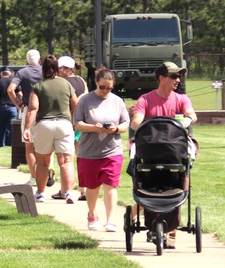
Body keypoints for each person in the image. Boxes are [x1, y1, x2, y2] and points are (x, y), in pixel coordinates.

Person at [130, 61, 199, 248]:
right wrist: (139, 122)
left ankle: (171, 233)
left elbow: (192, 114)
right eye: (173, 76)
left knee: (177, 184)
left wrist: (187, 119)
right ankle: (153, 227)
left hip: (175, 152)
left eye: (179, 76)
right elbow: (136, 121)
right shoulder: (146, 99)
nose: (177, 80)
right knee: (147, 184)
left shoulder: (181, 99)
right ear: (162, 78)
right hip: (151, 151)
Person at [73, 68, 130, 231]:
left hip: (112, 151)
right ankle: (92, 214)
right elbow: (77, 124)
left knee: (111, 186)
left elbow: (126, 124)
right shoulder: (85, 100)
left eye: (110, 88)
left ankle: (110, 220)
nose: (106, 91)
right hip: (89, 152)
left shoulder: (118, 101)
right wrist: (93, 127)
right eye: (103, 87)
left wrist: (116, 128)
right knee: (92, 187)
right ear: (96, 83)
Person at [23, 54, 78, 203]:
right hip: (64, 125)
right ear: (57, 68)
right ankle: (69, 193)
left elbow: (33, 108)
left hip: (44, 125)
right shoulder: (67, 85)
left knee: (42, 161)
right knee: (66, 161)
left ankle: (40, 193)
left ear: (43, 69)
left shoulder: (38, 86)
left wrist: (27, 128)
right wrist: (74, 122)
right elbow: (76, 105)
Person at [9, 50, 43, 182]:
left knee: (29, 146)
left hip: (29, 110)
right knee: (45, 145)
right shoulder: (45, 71)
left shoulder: (22, 72)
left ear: (27, 60)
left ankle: (34, 176)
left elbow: (10, 89)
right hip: (45, 110)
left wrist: (18, 104)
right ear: (39, 59)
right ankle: (46, 171)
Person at [58, 55, 88, 200]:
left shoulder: (64, 84)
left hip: (71, 124)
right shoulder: (81, 80)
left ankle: (66, 190)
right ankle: (84, 190)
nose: (57, 70)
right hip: (83, 124)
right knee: (81, 156)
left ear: (67, 69)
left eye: (60, 68)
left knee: (66, 158)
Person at [0, 69, 17, 147]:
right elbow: (20, 94)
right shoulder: (13, 82)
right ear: (9, 74)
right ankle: (11, 143)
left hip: (2, 107)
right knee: (11, 127)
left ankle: (1, 144)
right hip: (12, 107)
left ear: (2, 74)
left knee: (1, 127)